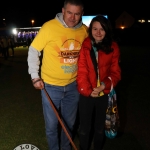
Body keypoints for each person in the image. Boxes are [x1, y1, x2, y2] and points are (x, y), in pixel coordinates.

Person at [27, 0, 88, 150]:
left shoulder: (84, 31)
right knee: (52, 126)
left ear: (82, 14)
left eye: (77, 14)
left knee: (69, 124)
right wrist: (35, 76)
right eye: (69, 12)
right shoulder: (49, 27)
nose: (73, 17)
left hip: (73, 87)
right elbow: (34, 50)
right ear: (63, 10)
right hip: (50, 87)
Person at [76, 15, 121, 150]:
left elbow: (116, 73)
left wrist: (103, 85)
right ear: (90, 30)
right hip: (87, 94)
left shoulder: (113, 47)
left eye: (102, 29)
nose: (98, 32)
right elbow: (82, 72)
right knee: (84, 128)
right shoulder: (85, 45)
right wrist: (89, 91)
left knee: (100, 128)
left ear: (107, 30)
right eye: (95, 29)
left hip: (104, 94)